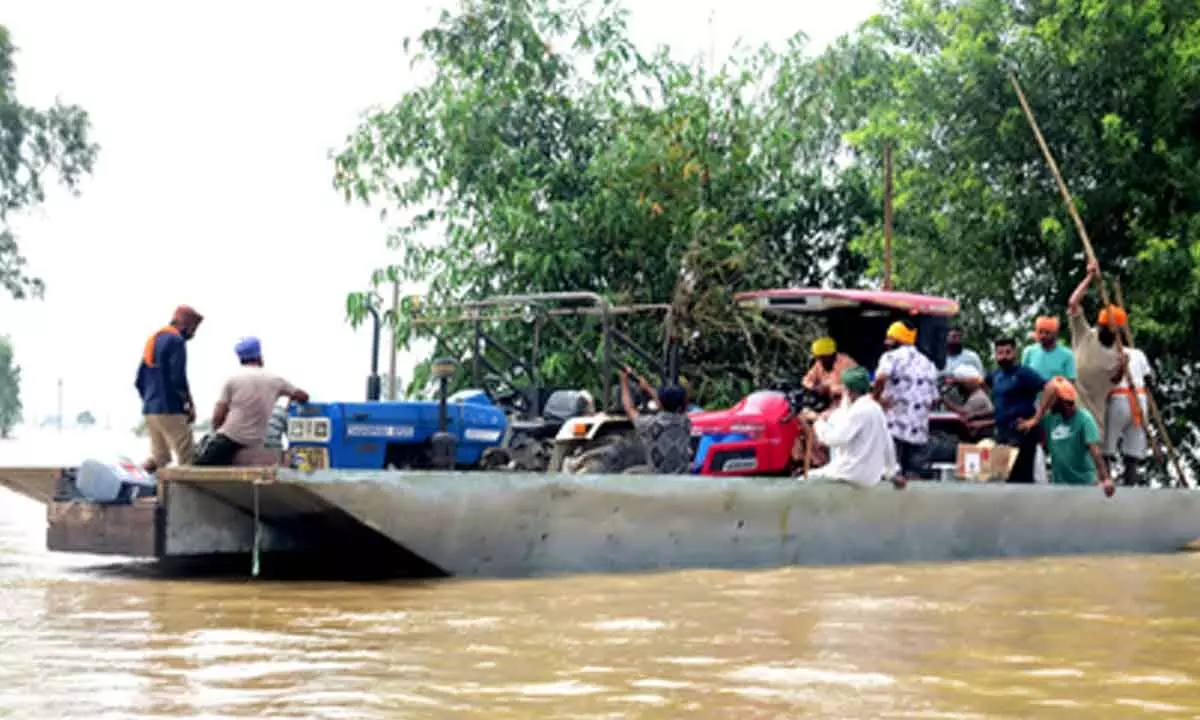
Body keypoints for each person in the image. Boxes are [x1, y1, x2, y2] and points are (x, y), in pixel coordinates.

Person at [193, 337, 309, 467]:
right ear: (259, 357)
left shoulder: (232, 380)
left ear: (241, 359)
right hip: (256, 442)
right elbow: (303, 396)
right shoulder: (276, 380)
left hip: (230, 438)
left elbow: (218, 417)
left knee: (198, 466)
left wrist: (216, 433)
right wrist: (289, 400)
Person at [801, 366, 899, 488]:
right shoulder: (876, 408)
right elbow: (888, 444)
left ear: (850, 391)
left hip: (851, 473)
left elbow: (835, 439)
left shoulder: (858, 411)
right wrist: (892, 473)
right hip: (871, 476)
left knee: (804, 479)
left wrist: (817, 421)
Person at [1019, 376, 1114, 495]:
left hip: (1084, 484)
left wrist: (1105, 479)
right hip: (1060, 485)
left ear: (1062, 402)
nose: (1049, 405)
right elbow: (1049, 390)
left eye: (1052, 401)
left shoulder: (1084, 419)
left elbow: (1095, 451)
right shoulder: (1050, 419)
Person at [136, 305, 203, 472]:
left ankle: (138, 476)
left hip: (150, 409)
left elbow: (138, 381)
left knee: (160, 458)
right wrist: (188, 403)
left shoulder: (154, 340)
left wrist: (150, 400)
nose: (193, 334)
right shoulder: (176, 341)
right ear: (185, 324)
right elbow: (177, 378)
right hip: (170, 408)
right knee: (188, 458)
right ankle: (188, 496)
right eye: (193, 329)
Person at [1067, 261, 1128, 438]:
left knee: (1093, 456)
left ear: (1116, 331)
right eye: (1102, 326)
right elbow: (1073, 303)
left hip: (1094, 417)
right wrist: (1090, 277)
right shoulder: (1085, 334)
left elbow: (1115, 381)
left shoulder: (1118, 354)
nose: (1102, 329)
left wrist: (1123, 367)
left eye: (1107, 327)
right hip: (1071, 407)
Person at [873, 321, 940, 479]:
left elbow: (881, 377)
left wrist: (876, 398)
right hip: (919, 431)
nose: (886, 342)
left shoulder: (891, 357)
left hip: (894, 428)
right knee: (913, 476)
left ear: (898, 338)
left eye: (889, 338)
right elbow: (935, 399)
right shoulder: (928, 363)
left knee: (890, 474)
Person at [988, 337, 1048, 484]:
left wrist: (1036, 418)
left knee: (1021, 477)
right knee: (1002, 475)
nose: (1004, 356)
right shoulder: (996, 375)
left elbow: (1049, 388)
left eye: (1008, 352)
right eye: (1000, 353)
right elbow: (981, 384)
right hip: (1003, 433)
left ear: (1015, 353)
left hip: (1022, 432)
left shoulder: (1024, 373)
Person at [620, 368, 692, 474]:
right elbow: (672, 405)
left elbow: (629, 408)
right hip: (681, 477)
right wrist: (647, 388)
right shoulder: (686, 422)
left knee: (627, 473)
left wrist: (624, 381)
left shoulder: (650, 424)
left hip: (658, 479)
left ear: (660, 403)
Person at [1105, 344, 1154, 486]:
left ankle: (1106, 483)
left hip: (1117, 400)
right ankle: (1130, 485)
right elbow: (1149, 379)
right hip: (1140, 400)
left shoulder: (1106, 353)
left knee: (1106, 448)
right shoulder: (1138, 352)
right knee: (1133, 451)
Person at [943, 365, 994, 439]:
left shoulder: (978, 398)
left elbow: (963, 415)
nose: (958, 388)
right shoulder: (975, 395)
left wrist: (945, 401)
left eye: (960, 384)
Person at [1021, 316, 1076, 381]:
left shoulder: (1067, 354)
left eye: (1047, 332)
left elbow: (1071, 380)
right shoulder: (1028, 351)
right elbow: (1022, 377)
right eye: (1040, 332)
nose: (1043, 335)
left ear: (1055, 334)